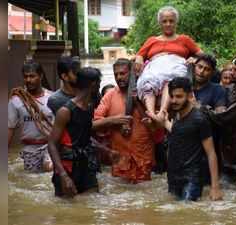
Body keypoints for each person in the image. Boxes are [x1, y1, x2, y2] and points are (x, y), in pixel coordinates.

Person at [152, 77, 223, 201]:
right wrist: (164, 122)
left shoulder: (199, 119)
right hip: (174, 177)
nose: (174, 101)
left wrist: (215, 187)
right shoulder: (177, 114)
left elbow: (211, 153)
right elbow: (178, 132)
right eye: (172, 96)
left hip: (192, 179)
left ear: (189, 95)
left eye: (179, 96)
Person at [135, 6, 203, 122]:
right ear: (160, 23)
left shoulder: (184, 39)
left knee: (170, 80)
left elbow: (201, 54)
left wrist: (194, 58)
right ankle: (151, 114)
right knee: (148, 82)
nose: (168, 24)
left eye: (171, 21)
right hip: (155, 68)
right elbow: (140, 54)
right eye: (164, 21)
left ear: (176, 22)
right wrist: (139, 59)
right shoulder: (152, 40)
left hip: (175, 67)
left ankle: (162, 112)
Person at [93, 58, 155, 183]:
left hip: (143, 156)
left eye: (123, 73)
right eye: (116, 74)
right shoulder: (110, 96)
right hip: (120, 158)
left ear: (131, 74)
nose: (119, 77)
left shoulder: (145, 93)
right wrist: (114, 121)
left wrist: (137, 102)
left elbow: (155, 125)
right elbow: (93, 124)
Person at [48, 67, 102, 198]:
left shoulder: (89, 107)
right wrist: (63, 176)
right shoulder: (65, 111)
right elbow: (51, 144)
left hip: (85, 165)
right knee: (66, 212)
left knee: (91, 204)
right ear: (94, 84)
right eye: (99, 83)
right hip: (68, 167)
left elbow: (85, 137)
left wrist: (107, 151)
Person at [8, 60, 53, 173]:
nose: (28, 80)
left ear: (41, 76)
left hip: (50, 146)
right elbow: (9, 128)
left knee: (50, 169)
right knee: (33, 181)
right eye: (25, 77)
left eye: (32, 76)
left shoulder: (52, 98)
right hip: (30, 149)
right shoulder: (16, 100)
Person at [192, 53, 227, 185]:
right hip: (184, 146)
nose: (201, 72)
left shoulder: (218, 90)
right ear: (194, 67)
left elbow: (221, 116)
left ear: (212, 72)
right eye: (199, 67)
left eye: (206, 69)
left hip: (206, 149)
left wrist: (200, 107)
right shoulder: (185, 87)